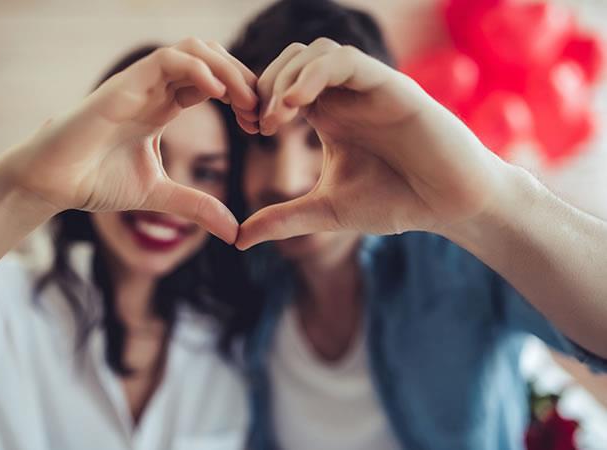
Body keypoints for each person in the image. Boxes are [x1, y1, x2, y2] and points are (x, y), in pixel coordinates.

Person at [222, 1, 607, 449]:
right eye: (265, 144)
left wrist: (491, 201)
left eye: (317, 139)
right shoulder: (238, 284)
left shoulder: (457, 259)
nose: (285, 180)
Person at [0, 40, 258, 450]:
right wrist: (16, 192)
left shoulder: (229, 349)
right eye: (150, 156)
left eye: (207, 172)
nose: (169, 201)